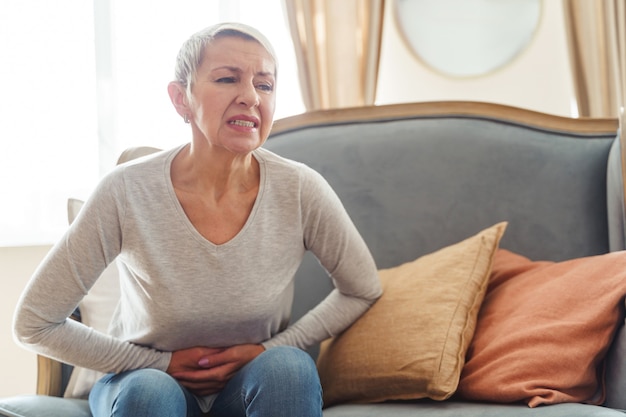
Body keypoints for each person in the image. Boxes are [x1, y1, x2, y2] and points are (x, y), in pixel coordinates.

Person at [13, 22, 382, 417]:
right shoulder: (126, 190)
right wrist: (161, 364)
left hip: (247, 385)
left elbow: (362, 288)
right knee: (153, 393)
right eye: (227, 79)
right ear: (180, 98)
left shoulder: (301, 189)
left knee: (289, 369)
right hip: (140, 381)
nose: (250, 97)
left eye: (265, 85)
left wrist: (270, 350)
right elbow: (34, 321)